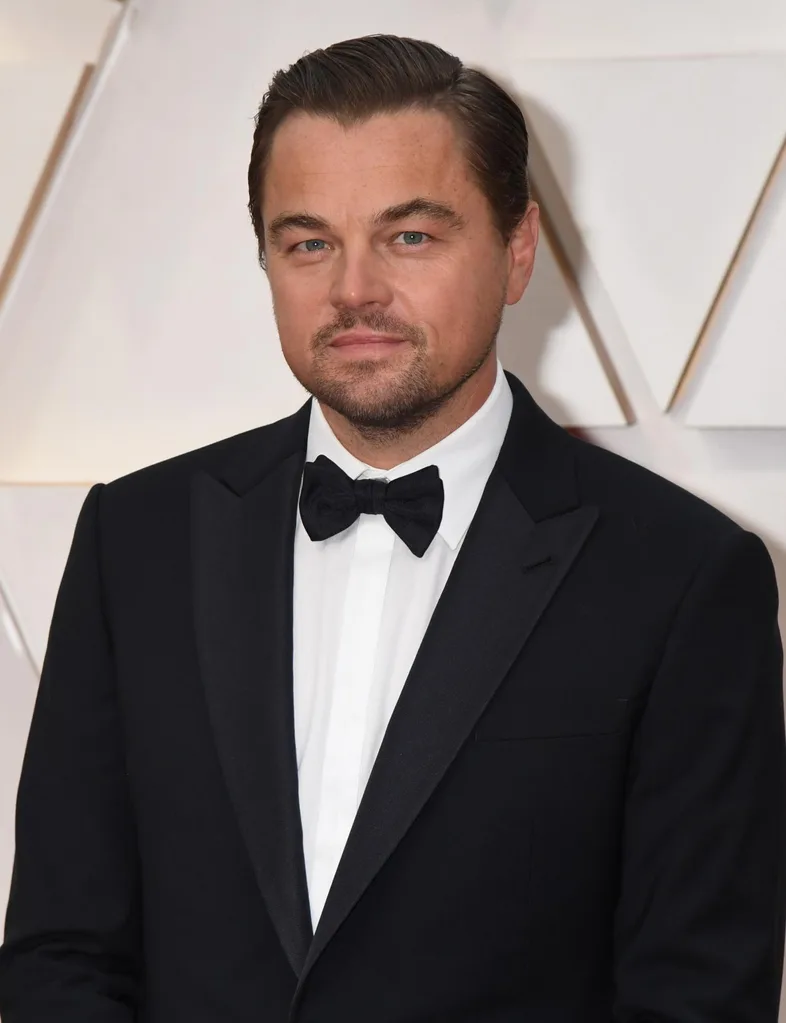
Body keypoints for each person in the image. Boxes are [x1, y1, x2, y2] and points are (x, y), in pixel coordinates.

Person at [0, 32, 784, 1023]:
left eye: (410, 236)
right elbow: (60, 951)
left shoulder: (681, 576)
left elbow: (698, 996)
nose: (354, 289)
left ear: (517, 249)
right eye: (309, 241)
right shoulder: (134, 541)